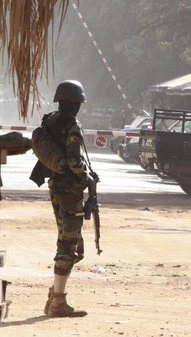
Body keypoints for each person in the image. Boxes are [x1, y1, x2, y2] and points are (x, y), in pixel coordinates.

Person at [44, 80, 97, 317]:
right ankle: (58, 302)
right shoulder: (72, 125)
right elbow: (75, 161)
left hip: (56, 187)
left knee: (69, 243)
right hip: (70, 191)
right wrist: (87, 178)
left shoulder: (50, 121)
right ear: (75, 103)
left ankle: (55, 293)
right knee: (69, 246)